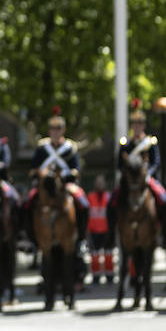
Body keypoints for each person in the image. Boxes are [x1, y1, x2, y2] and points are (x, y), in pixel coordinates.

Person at [24, 107, 89, 241]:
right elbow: (32, 170)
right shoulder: (42, 148)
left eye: (58, 128)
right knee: (26, 204)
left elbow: (76, 169)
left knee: (84, 204)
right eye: (53, 129)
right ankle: (31, 238)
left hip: (66, 184)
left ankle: (81, 237)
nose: (55, 132)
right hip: (44, 185)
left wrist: (67, 174)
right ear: (49, 131)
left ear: (63, 130)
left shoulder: (70, 148)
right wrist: (41, 173)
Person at [87, 174, 113, 283]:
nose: (100, 184)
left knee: (108, 254)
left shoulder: (109, 196)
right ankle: (96, 277)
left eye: (102, 182)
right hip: (93, 231)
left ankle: (109, 276)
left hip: (107, 230)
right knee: (94, 254)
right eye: (98, 182)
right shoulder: (90, 197)